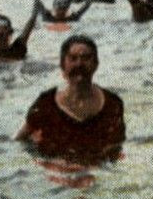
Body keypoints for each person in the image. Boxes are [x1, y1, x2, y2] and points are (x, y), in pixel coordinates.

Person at [17, 34, 125, 166]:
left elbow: (116, 149)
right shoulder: (46, 103)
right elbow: (20, 141)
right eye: (73, 58)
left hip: (96, 173)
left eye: (86, 58)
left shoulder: (113, 104)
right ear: (63, 65)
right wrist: (44, 164)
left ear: (96, 64)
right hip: (55, 175)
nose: (79, 64)